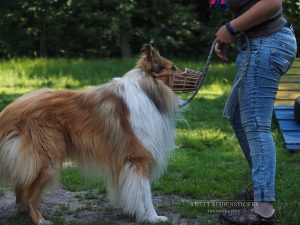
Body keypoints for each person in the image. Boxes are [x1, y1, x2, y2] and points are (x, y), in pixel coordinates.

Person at [214, 0, 297, 224]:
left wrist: (231, 28)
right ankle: (261, 187)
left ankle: (262, 209)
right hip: (257, 43)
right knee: (239, 118)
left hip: (268, 43)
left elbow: (271, 2)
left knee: (256, 125)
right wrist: (232, 34)